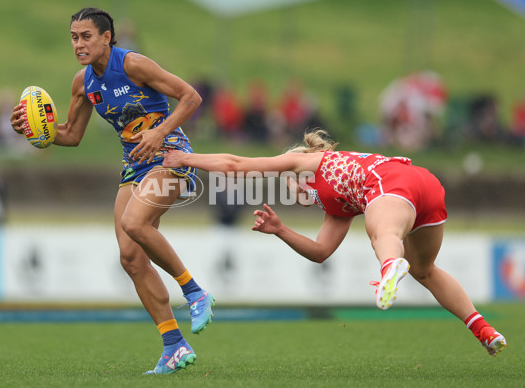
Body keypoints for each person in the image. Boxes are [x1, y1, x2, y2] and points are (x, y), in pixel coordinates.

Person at [163, 129, 508, 357]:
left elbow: (236, 164)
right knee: (425, 270)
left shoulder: (309, 163)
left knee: (382, 234)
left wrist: (186, 159)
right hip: (425, 189)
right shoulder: (337, 207)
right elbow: (320, 252)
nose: (291, 190)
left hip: (391, 183)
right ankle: (483, 329)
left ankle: (389, 265)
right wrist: (281, 230)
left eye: (290, 184)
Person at [9, 7, 215, 374]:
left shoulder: (134, 64)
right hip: (134, 165)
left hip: (169, 155)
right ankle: (173, 345)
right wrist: (31, 129)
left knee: (136, 223)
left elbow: (191, 98)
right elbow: (70, 135)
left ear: (107, 38)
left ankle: (195, 292)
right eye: (74, 37)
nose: (79, 44)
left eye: (86, 36)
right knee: (130, 258)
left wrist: (158, 131)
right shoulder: (82, 83)